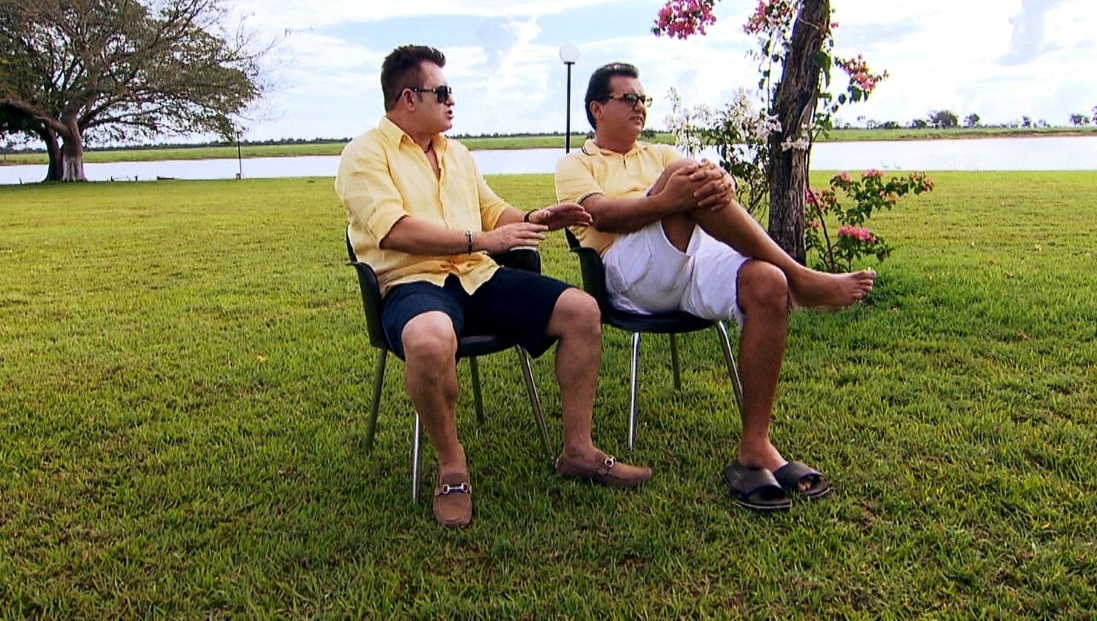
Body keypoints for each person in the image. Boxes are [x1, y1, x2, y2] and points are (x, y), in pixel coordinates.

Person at [336, 45, 651, 528]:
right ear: (407, 98)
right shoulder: (363, 156)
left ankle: (578, 450)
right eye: (441, 91)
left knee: (582, 310)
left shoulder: (455, 153)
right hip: (411, 282)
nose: (451, 99)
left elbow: (491, 212)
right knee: (428, 339)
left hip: (477, 276)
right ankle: (452, 466)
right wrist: (481, 239)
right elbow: (395, 230)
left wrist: (534, 219)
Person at [554, 62, 876, 511]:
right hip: (629, 274)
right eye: (628, 98)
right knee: (681, 179)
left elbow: (703, 193)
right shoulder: (574, 164)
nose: (639, 107)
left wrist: (720, 181)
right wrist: (670, 198)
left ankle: (756, 445)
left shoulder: (661, 153)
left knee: (767, 282)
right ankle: (802, 276)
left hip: (691, 259)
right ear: (596, 108)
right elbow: (601, 216)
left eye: (643, 99)